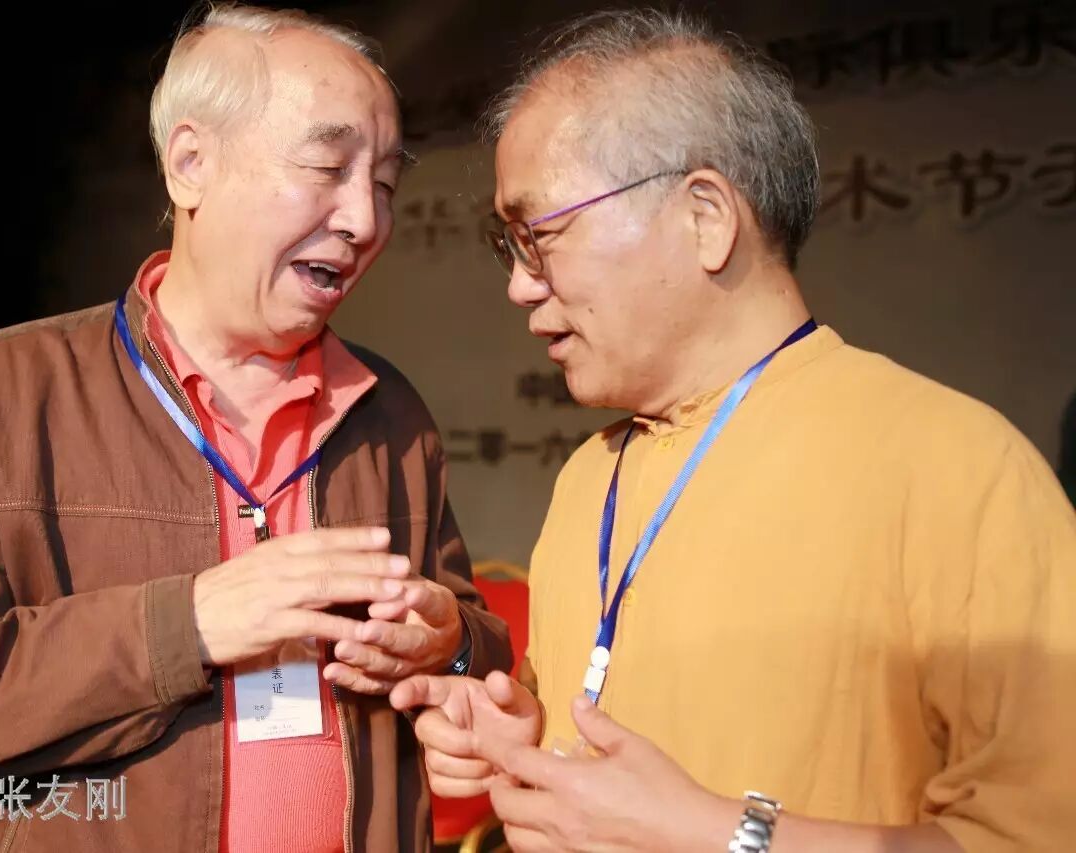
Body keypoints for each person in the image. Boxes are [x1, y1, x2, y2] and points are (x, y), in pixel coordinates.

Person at [392, 9, 1076, 852]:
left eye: (541, 236)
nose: (521, 286)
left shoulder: (957, 467)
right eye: (511, 245)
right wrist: (521, 737)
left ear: (706, 217)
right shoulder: (591, 473)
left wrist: (720, 833)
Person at [0, 5, 511, 851]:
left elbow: (479, 647)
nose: (365, 222)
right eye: (327, 167)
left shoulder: (390, 412)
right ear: (191, 164)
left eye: (382, 185)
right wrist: (182, 627)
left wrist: (452, 645)